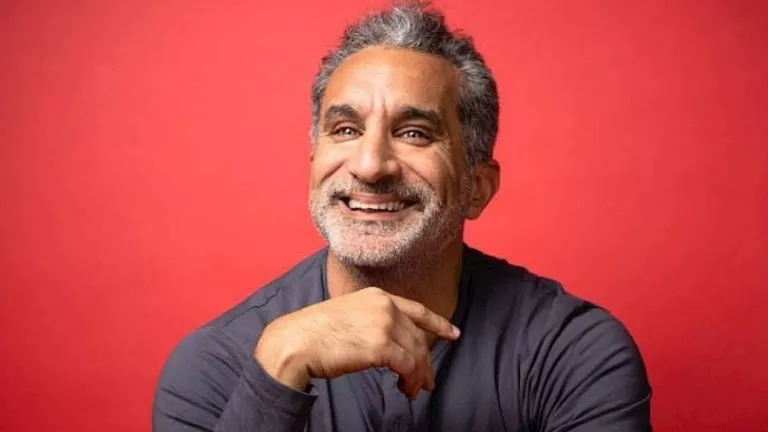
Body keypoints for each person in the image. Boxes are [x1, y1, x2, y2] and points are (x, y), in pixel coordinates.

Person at [152, 2, 652, 431]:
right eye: (346, 129)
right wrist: (276, 377)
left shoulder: (573, 353)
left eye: (414, 133)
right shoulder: (214, 368)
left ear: (478, 189)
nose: (370, 165)